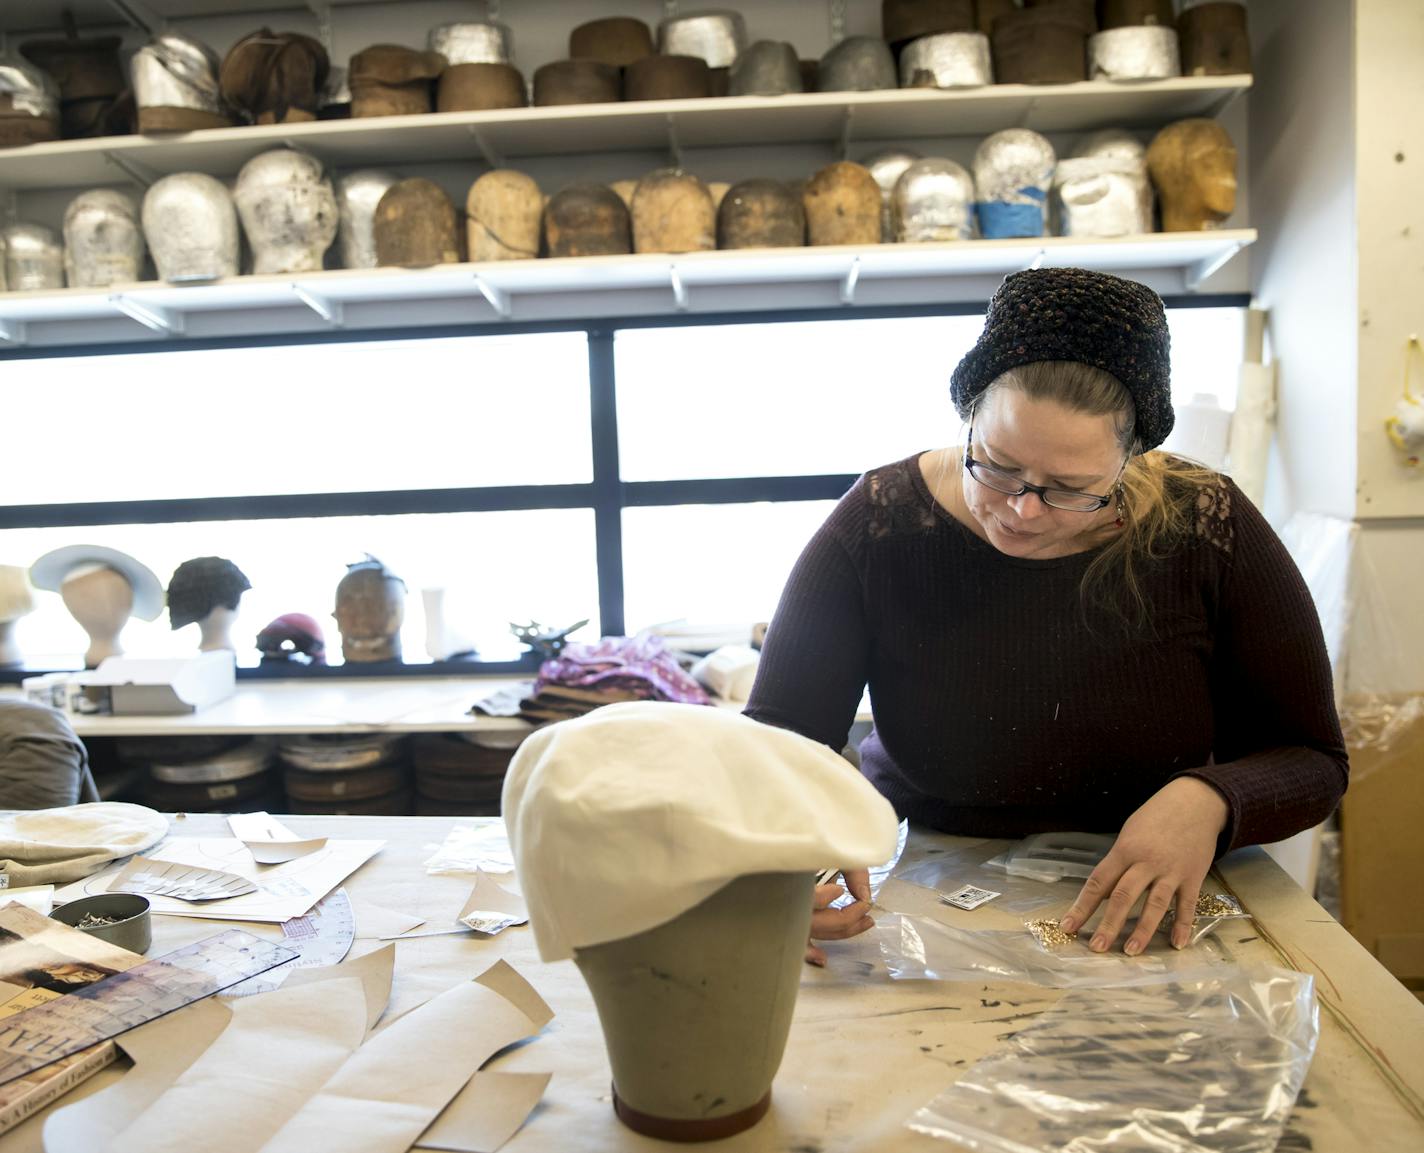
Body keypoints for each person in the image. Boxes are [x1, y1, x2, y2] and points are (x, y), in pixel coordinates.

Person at [744, 267, 1348, 964]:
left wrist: (1210, 799)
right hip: (915, 886)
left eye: (1070, 488)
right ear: (969, 416)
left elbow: (1315, 758)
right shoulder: (879, 525)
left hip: (1148, 892)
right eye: (996, 465)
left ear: (1129, 459)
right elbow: (774, 746)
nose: (1021, 510)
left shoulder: (1207, 528)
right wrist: (776, 865)